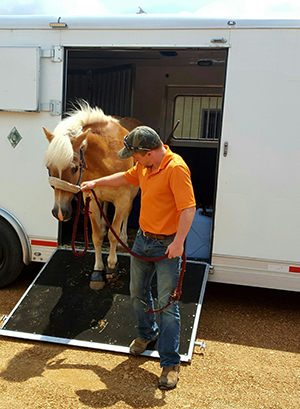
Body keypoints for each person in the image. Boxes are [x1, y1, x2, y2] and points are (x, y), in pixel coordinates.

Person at [81, 126, 196, 390]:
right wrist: (96, 183)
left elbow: (188, 208)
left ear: (147, 152)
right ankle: (147, 334)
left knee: (167, 305)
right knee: (137, 293)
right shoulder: (144, 167)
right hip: (143, 240)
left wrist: (179, 242)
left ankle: (169, 363)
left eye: (135, 155)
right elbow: (125, 176)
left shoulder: (175, 168)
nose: (133, 160)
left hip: (167, 245)